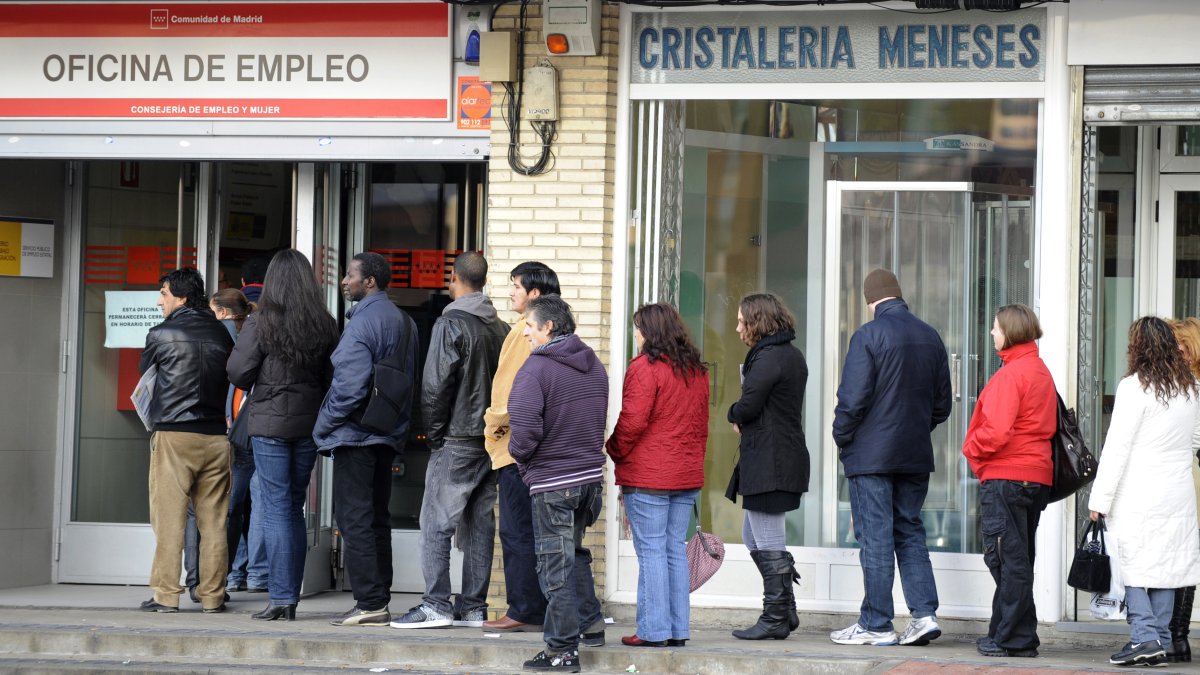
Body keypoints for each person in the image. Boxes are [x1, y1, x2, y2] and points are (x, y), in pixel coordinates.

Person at [830, 269, 952, 647]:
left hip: (872, 457)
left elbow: (852, 400)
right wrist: (914, 430)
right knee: (910, 530)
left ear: (870, 300)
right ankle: (923, 615)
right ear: (898, 296)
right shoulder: (930, 336)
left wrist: (842, 437)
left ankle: (876, 623)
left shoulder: (868, 335)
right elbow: (942, 406)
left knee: (877, 537)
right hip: (914, 454)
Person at [392, 252, 509, 629]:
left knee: (436, 524)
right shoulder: (502, 328)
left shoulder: (450, 323)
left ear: (454, 278)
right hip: (490, 440)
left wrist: (434, 436)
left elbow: (434, 387)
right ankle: (473, 607)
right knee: (478, 524)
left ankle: (436, 605)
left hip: (457, 436)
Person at [227, 249, 339, 621]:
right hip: (308, 427)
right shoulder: (322, 322)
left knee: (275, 508)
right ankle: (288, 597)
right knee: (292, 508)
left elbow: (239, 372)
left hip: (269, 427)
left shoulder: (262, 323)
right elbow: (331, 380)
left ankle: (281, 597)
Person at [1089, 316, 1200, 667]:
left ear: (1138, 346)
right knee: (1168, 565)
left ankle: (1144, 638)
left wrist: (1099, 500)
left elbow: (1117, 447)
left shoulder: (1135, 387)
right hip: (1177, 490)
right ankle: (1163, 640)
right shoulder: (1191, 388)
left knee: (1132, 564)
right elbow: (1196, 440)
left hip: (1138, 490)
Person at [315, 251, 419, 627]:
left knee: (354, 517)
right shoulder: (406, 322)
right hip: (386, 433)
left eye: (350, 275)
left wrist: (322, 425)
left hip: (355, 435)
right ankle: (379, 598)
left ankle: (370, 602)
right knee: (377, 517)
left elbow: (348, 386)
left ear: (369, 281)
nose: (344, 281)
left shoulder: (362, 325)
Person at [509, 295, 607, 673]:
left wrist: (521, 457)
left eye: (529, 327)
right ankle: (591, 623)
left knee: (555, 566)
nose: (526, 335)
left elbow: (525, 431)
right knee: (573, 554)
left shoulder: (535, 370)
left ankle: (562, 650)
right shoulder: (593, 365)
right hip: (588, 480)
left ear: (548, 327)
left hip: (554, 482)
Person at [606, 302, 709, 647]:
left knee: (651, 551)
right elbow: (700, 426)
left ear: (650, 332)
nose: (635, 334)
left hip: (649, 475)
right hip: (686, 474)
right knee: (673, 550)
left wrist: (614, 450)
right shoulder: (695, 370)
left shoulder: (644, 368)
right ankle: (677, 629)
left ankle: (652, 630)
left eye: (637, 328)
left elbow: (632, 421)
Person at [961, 304, 1056, 658]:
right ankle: (1007, 632)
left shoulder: (1012, 374)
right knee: (1016, 557)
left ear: (1011, 332)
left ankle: (1015, 637)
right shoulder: (1038, 369)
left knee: (1005, 558)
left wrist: (970, 449)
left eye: (996, 327)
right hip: (1034, 477)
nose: (991, 332)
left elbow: (997, 430)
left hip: (1008, 476)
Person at [137, 267, 234, 613]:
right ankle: (212, 597)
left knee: (169, 519)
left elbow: (146, 376)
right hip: (216, 438)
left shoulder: (161, 333)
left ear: (180, 297)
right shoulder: (224, 336)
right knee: (215, 521)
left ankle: (166, 594)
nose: (159, 300)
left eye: (163, 293)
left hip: (174, 436)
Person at [482, 262, 560, 633]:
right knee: (539, 532)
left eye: (515, 286)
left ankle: (522, 609)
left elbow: (511, 393)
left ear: (534, 293)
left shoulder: (522, 332)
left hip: (517, 448)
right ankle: (535, 606)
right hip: (543, 450)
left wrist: (493, 429)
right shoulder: (558, 335)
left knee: (516, 531)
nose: (510, 292)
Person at [725, 293, 808, 641]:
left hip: (772, 461)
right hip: (775, 456)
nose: (738, 327)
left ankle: (775, 616)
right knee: (751, 534)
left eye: (743, 321)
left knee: (769, 538)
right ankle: (785, 607)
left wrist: (733, 413)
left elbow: (748, 404)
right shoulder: (786, 353)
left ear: (758, 322)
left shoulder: (770, 358)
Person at [183, 289, 257, 604]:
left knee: (204, 510)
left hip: (221, 433)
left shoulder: (221, 334)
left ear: (223, 313)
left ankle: (201, 580)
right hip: (245, 432)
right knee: (235, 509)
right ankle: (227, 577)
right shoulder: (251, 332)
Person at [1168, 317, 1200, 663]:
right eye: (1174, 345)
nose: (1179, 352)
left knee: (1185, 556)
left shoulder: (1192, 387)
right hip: (1182, 471)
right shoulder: (1170, 384)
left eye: (1184, 345)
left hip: (1187, 474)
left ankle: (1178, 635)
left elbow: (1195, 439)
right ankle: (1173, 635)